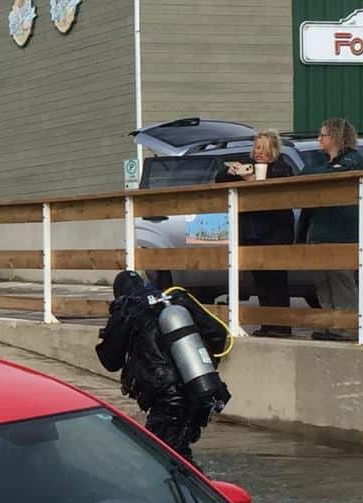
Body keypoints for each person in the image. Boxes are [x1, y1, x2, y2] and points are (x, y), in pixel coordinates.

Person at [94, 271, 232, 466]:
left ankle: (205, 494)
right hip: (200, 392)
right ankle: (200, 492)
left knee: (158, 464)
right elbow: (218, 334)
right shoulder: (174, 297)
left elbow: (110, 361)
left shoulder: (127, 308)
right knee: (177, 458)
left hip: (168, 402)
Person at [217, 130, 295, 337]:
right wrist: (232, 173)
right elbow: (218, 179)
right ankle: (267, 323)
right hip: (251, 232)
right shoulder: (247, 165)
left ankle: (282, 325)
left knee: (276, 279)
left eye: (262, 147)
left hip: (275, 231)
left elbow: (281, 192)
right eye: (256, 147)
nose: (257, 151)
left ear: (272, 149)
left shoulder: (281, 167)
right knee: (260, 279)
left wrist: (253, 180)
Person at [298, 117, 363, 341]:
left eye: (323, 135)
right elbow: (304, 175)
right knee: (322, 280)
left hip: (341, 229)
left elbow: (333, 176)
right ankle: (330, 322)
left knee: (341, 279)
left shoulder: (353, 159)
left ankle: (347, 325)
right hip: (319, 228)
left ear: (336, 136)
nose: (319, 139)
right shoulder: (318, 160)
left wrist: (321, 173)